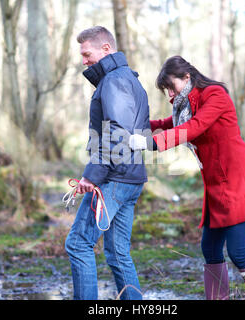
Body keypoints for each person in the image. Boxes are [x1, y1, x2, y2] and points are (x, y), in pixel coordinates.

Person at [129, 56, 245, 300]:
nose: (170, 95)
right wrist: (138, 126)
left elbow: (194, 127)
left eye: (171, 87)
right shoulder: (186, 104)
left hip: (238, 184)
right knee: (210, 249)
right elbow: (170, 123)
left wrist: (149, 143)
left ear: (187, 78)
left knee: (238, 253)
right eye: (166, 90)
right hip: (216, 187)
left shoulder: (215, 95)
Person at [64, 26, 150, 300]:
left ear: (105, 49)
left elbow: (116, 131)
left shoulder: (114, 81)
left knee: (78, 243)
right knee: (117, 252)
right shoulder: (128, 79)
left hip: (113, 179)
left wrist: (92, 176)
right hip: (129, 178)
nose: (83, 60)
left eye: (86, 53)